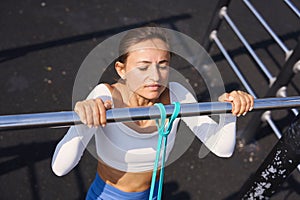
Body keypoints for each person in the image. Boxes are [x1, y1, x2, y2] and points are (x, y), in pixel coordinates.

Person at [51, 26, 254, 200]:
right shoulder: (105, 97)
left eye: (163, 65)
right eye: (143, 67)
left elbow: (222, 149)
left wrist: (229, 111)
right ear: (122, 70)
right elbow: (60, 168)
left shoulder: (177, 95)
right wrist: (82, 122)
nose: (155, 76)